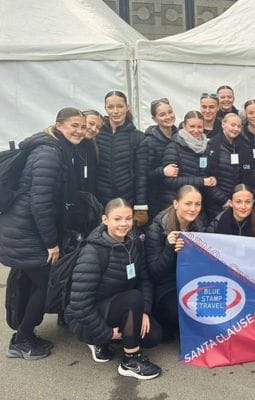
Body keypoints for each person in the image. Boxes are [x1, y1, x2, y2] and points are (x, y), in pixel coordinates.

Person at [0, 107, 85, 360]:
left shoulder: (53, 148)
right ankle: (23, 338)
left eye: (82, 126)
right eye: (74, 126)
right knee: (49, 285)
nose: (79, 131)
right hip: (26, 233)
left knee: (36, 282)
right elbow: (41, 203)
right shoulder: (49, 153)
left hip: (21, 230)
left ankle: (23, 333)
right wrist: (51, 243)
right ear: (59, 125)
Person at [64, 198, 162, 379]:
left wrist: (145, 311)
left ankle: (112, 337)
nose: (124, 224)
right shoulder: (93, 252)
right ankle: (130, 360)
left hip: (121, 305)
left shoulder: (134, 242)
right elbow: (79, 305)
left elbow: (145, 279)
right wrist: (106, 332)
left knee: (153, 336)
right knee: (133, 297)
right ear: (105, 219)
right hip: (91, 312)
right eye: (117, 219)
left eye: (128, 218)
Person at [145, 185, 204, 339]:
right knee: (178, 313)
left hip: (189, 282)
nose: (193, 209)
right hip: (165, 286)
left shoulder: (199, 225)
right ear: (176, 204)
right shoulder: (156, 229)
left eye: (197, 204)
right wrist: (169, 249)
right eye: (188, 203)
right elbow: (155, 272)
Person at [96, 91, 148, 226]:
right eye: (111, 107)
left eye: (120, 106)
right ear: (105, 108)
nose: (115, 111)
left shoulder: (138, 137)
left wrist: (140, 206)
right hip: (101, 199)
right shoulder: (97, 135)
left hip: (127, 198)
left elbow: (141, 174)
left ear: (127, 107)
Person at [204, 113, 255, 219]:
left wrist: (240, 200)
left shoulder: (244, 146)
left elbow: (250, 174)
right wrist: (224, 200)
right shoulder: (211, 146)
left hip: (240, 204)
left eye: (238, 126)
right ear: (223, 124)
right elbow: (206, 177)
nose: (235, 129)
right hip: (217, 204)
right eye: (232, 125)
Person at [162, 111, 217, 208]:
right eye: (192, 126)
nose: (196, 130)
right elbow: (170, 181)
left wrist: (211, 179)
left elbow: (205, 172)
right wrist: (202, 181)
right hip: (177, 202)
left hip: (198, 201)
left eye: (199, 127)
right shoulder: (173, 147)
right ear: (184, 125)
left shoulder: (206, 147)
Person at [140, 98, 177, 219]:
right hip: (157, 198)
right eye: (162, 114)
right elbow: (144, 173)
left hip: (177, 195)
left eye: (170, 112)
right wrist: (163, 171)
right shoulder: (149, 142)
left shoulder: (180, 137)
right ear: (154, 119)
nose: (168, 116)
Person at [76, 110, 102, 196]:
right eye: (91, 123)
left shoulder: (92, 147)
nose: (94, 129)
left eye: (98, 127)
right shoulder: (68, 144)